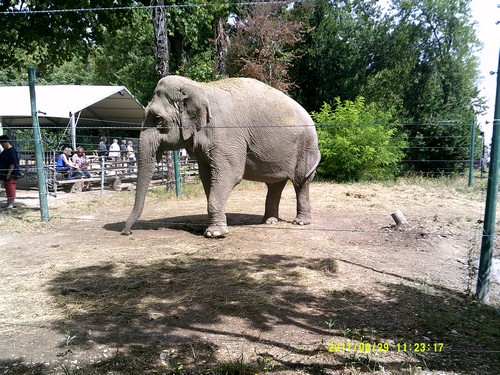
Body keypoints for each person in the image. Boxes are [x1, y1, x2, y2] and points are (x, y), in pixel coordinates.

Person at [0, 135, 21, 209]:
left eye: (2, 143)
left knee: (11, 187)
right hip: (4, 172)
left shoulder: (11, 151)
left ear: (6, 142)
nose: (2, 145)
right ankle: (8, 202)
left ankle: (11, 204)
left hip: (11, 173)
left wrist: (9, 173)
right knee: (7, 187)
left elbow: (12, 163)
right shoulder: (5, 151)